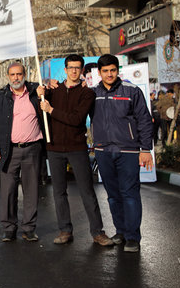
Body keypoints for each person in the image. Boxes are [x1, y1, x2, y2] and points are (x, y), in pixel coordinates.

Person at [38, 54, 114, 247]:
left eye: (77, 68)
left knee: (87, 191)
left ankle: (97, 232)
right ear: (64, 69)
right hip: (54, 148)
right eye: (70, 67)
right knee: (59, 192)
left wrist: (51, 110)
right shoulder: (53, 90)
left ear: (81, 70)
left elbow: (76, 119)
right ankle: (65, 230)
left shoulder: (87, 93)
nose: (73, 71)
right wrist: (39, 90)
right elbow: (38, 109)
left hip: (77, 147)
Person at [91, 54, 154, 253]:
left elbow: (144, 120)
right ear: (99, 73)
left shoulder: (131, 91)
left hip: (128, 151)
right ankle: (120, 231)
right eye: (105, 71)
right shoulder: (92, 94)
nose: (109, 74)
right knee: (113, 195)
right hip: (103, 151)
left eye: (113, 70)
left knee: (130, 194)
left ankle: (133, 236)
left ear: (118, 70)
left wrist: (145, 149)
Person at [0, 62, 44, 242]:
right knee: (8, 190)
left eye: (19, 74)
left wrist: (46, 91)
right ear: (8, 76)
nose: (16, 78)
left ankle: (29, 228)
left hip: (33, 148)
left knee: (31, 190)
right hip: (9, 150)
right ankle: (9, 228)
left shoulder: (36, 93)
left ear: (24, 74)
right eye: (12, 75)